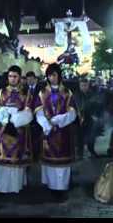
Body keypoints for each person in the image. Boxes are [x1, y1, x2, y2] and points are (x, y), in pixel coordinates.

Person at [34, 63, 77, 199]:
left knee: (62, 163)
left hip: (63, 132)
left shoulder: (67, 93)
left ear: (59, 76)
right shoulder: (42, 93)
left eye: (54, 75)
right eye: (49, 75)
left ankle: (62, 187)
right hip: (48, 132)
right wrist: (46, 125)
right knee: (50, 162)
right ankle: (51, 186)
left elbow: (72, 112)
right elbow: (38, 111)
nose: (51, 78)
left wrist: (60, 120)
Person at [0, 65, 34, 194]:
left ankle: (15, 187)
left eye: (15, 76)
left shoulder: (26, 93)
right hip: (4, 131)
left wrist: (15, 119)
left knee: (16, 159)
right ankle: (0, 186)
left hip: (18, 132)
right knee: (2, 159)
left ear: (20, 77)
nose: (12, 79)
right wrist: (3, 116)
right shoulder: (1, 92)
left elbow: (29, 111)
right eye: (10, 76)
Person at [74, 77, 100, 158]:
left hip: (90, 119)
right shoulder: (77, 95)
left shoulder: (91, 94)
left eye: (85, 85)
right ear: (79, 86)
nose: (84, 87)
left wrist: (95, 115)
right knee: (80, 137)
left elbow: (96, 105)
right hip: (80, 119)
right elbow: (78, 106)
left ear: (88, 85)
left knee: (91, 136)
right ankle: (80, 153)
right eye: (82, 85)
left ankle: (91, 150)